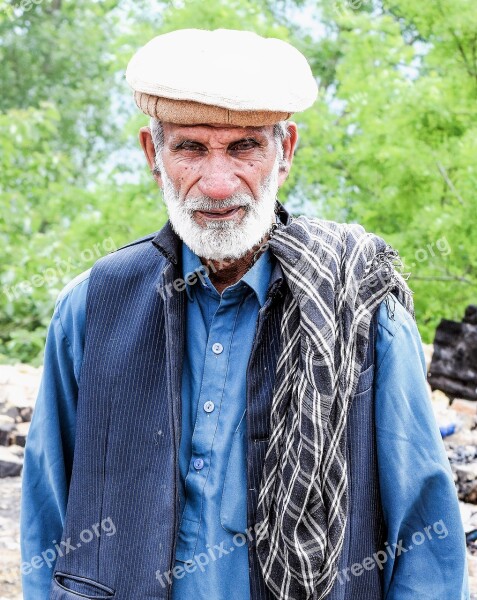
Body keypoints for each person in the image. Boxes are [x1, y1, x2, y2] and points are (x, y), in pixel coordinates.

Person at [20, 28, 469, 600]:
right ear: (152, 154)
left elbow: (425, 542)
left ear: (285, 151)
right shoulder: (93, 307)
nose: (217, 182)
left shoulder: (361, 312)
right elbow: (46, 517)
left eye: (244, 147)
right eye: (190, 148)